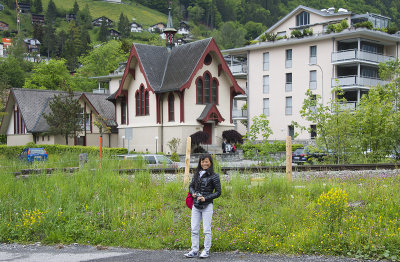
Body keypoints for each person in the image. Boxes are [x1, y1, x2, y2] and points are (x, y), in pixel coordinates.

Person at [184, 154, 221, 258]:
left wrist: (206, 198)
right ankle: (194, 250)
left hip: (207, 206)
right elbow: (191, 186)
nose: (204, 163)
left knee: (206, 230)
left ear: (210, 163)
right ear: (200, 163)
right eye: (202, 161)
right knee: (194, 229)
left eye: (206, 161)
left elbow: (218, 192)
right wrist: (193, 193)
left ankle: (206, 250)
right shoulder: (197, 174)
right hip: (196, 205)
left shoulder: (214, 176)